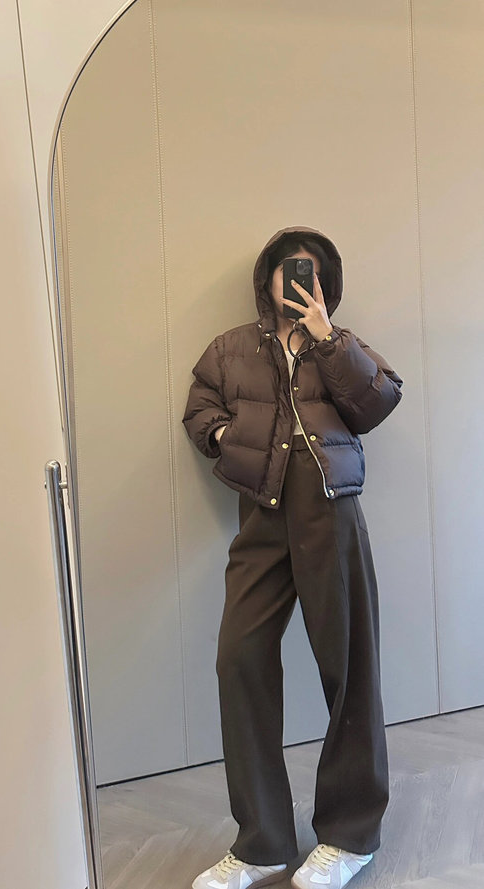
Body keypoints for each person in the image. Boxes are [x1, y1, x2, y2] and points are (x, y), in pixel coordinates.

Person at [182, 226, 403, 889]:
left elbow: (377, 402)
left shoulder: (341, 343)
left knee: (349, 666)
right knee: (239, 658)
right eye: (289, 269)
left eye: (310, 270)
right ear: (267, 278)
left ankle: (351, 835)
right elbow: (199, 411)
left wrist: (327, 337)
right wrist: (226, 434)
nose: (299, 279)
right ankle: (262, 843)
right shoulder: (230, 349)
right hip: (261, 517)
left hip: (330, 513)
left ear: (324, 282)